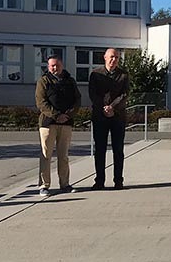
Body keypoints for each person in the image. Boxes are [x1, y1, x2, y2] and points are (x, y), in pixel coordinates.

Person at [35, 55, 82, 196]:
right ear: (48, 67)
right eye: (52, 66)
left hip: (66, 123)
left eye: (57, 65)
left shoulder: (70, 81)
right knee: (46, 155)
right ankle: (44, 185)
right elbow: (41, 102)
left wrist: (68, 114)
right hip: (48, 124)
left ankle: (65, 184)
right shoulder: (43, 81)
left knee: (64, 155)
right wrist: (56, 115)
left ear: (62, 65)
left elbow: (77, 100)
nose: (55, 68)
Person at [88, 48, 130, 190]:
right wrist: (104, 108)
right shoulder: (96, 74)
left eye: (117, 57)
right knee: (100, 150)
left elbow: (125, 94)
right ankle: (99, 181)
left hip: (117, 117)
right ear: (105, 57)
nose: (114, 60)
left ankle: (118, 181)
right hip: (100, 116)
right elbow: (93, 94)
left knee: (118, 150)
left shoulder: (123, 75)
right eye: (111, 57)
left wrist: (112, 107)